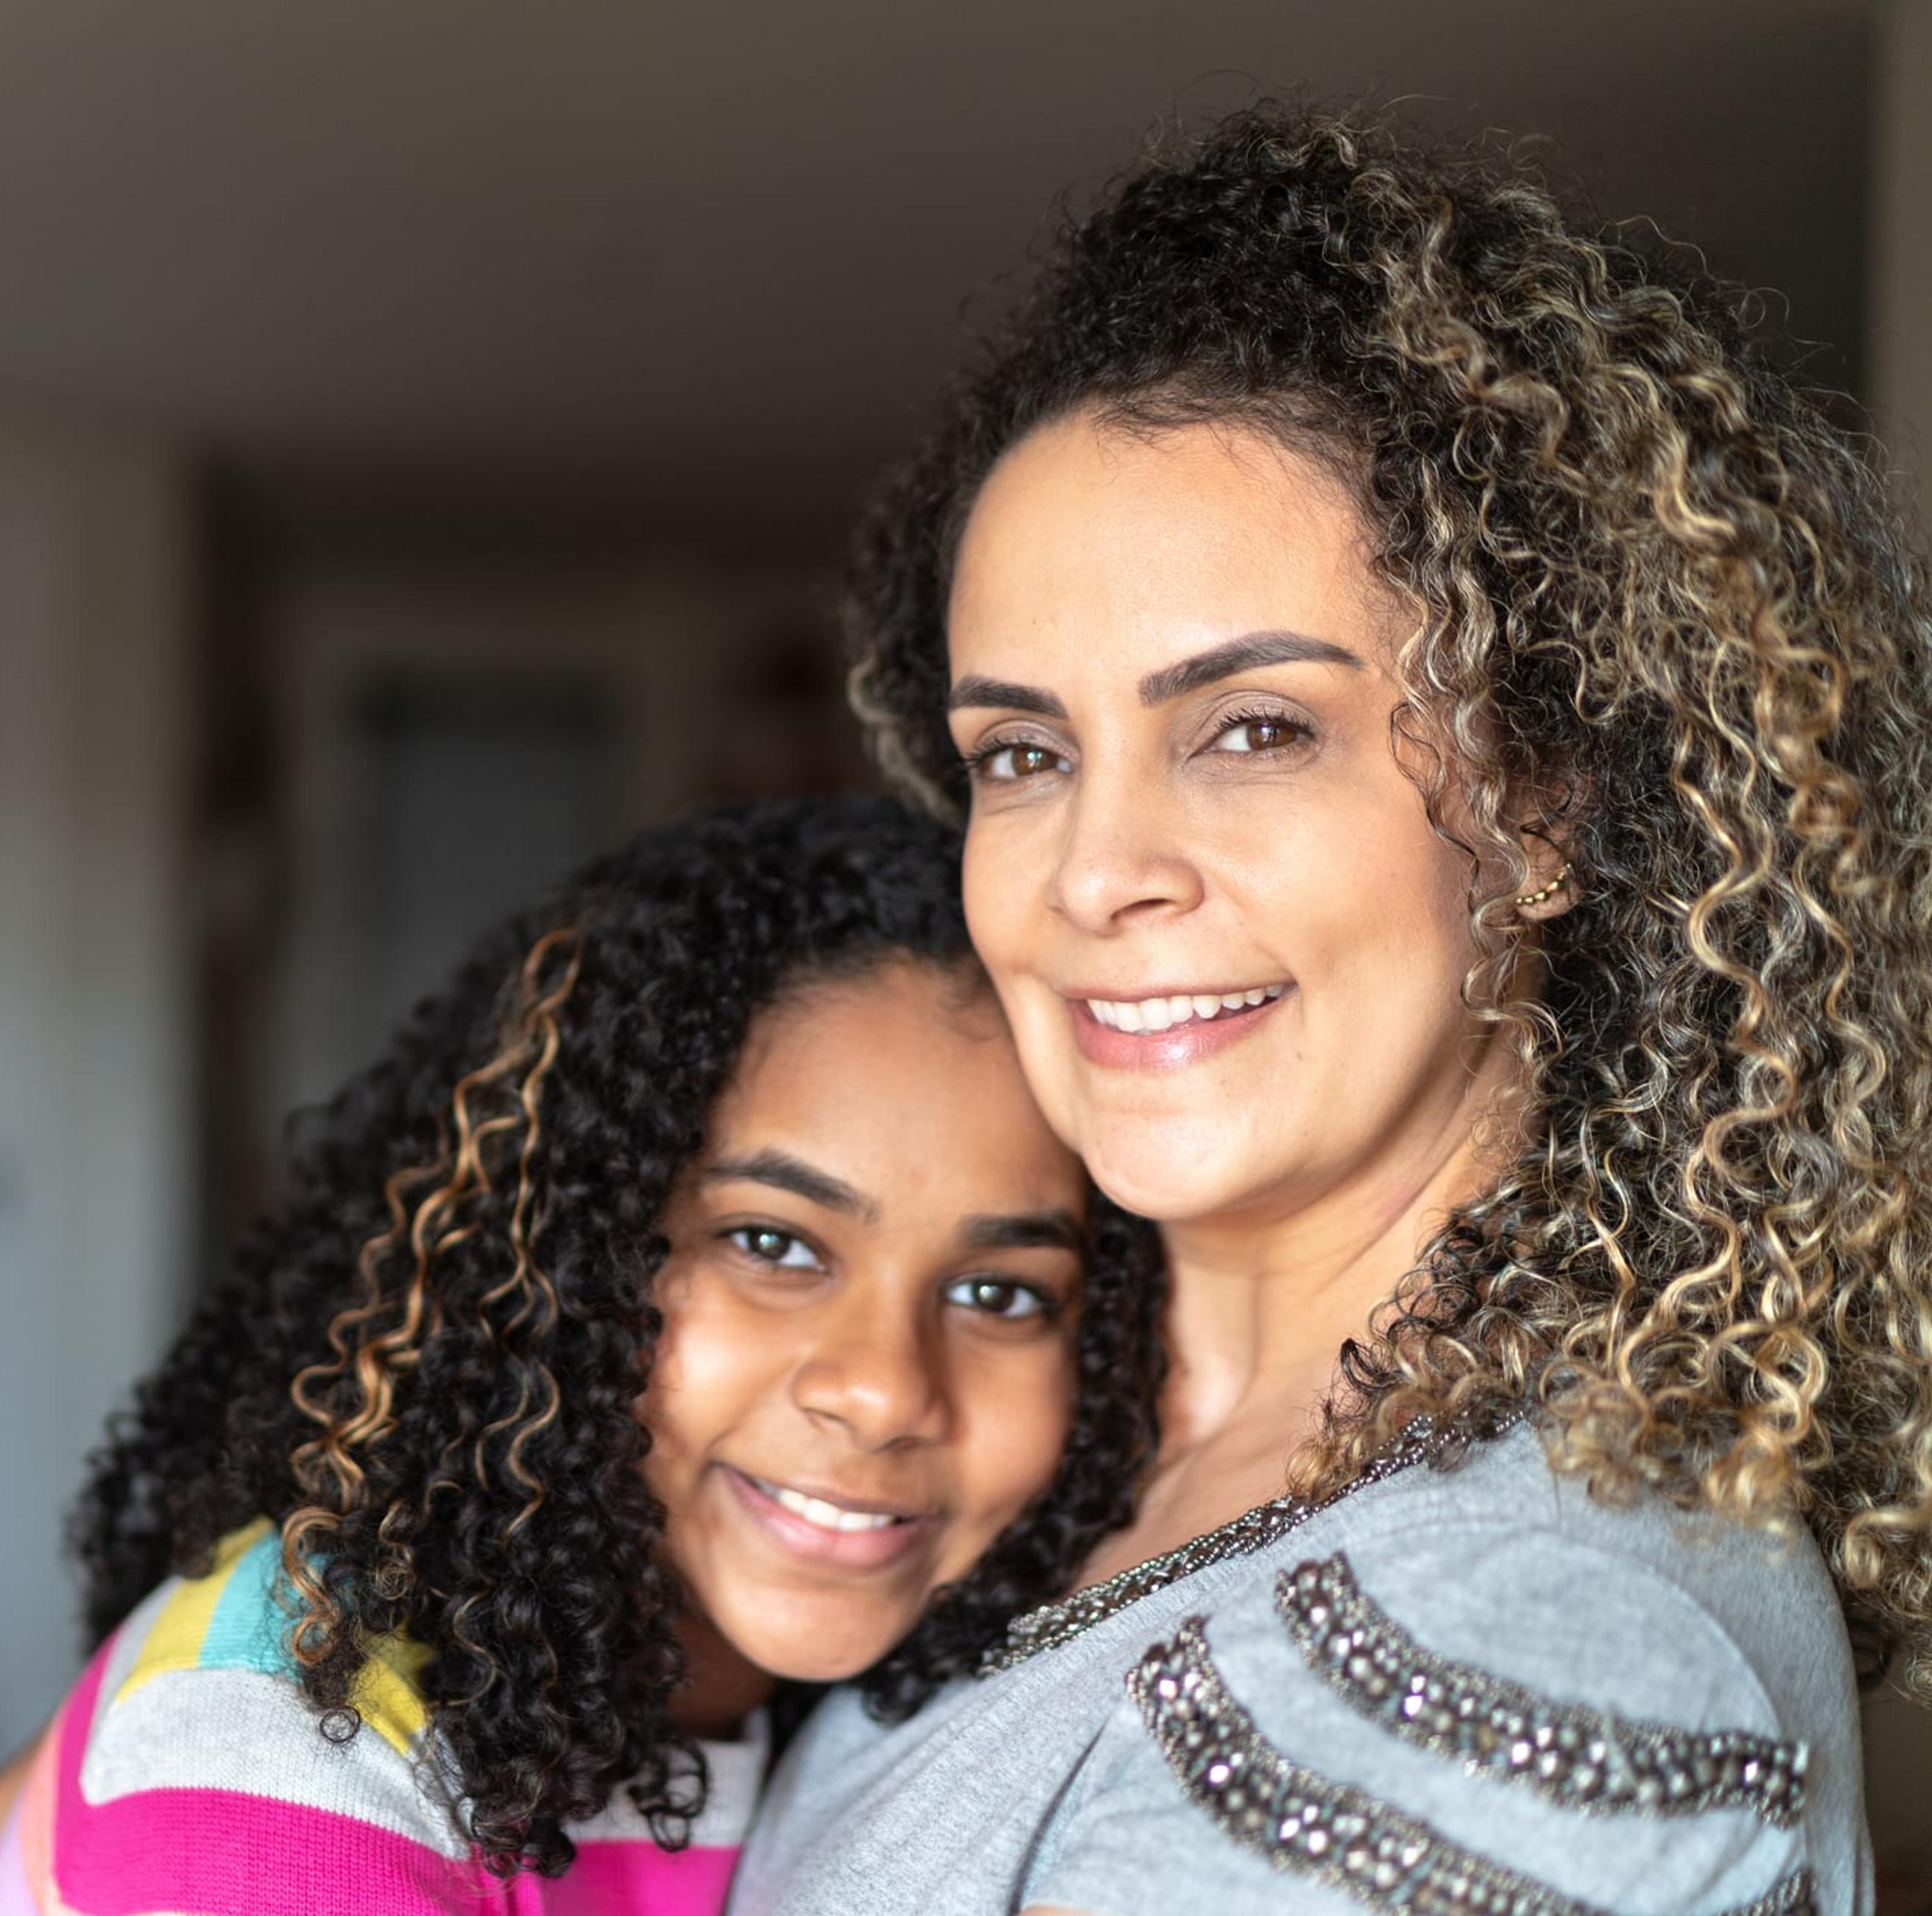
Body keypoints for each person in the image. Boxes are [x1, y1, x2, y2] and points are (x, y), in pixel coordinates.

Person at [728, 108, 1932, 1916]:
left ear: (1549, 803)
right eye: (1025, 753)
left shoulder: (1535, 1629)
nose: (1093, 872)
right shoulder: (1012, 1436)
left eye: (1254, 729)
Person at [0, 795, 1163, 1916]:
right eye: (773, 1242)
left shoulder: (821, 1685)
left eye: (1000, 1289)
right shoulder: (289, 1754)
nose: (882, 1387)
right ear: (558, 1258)